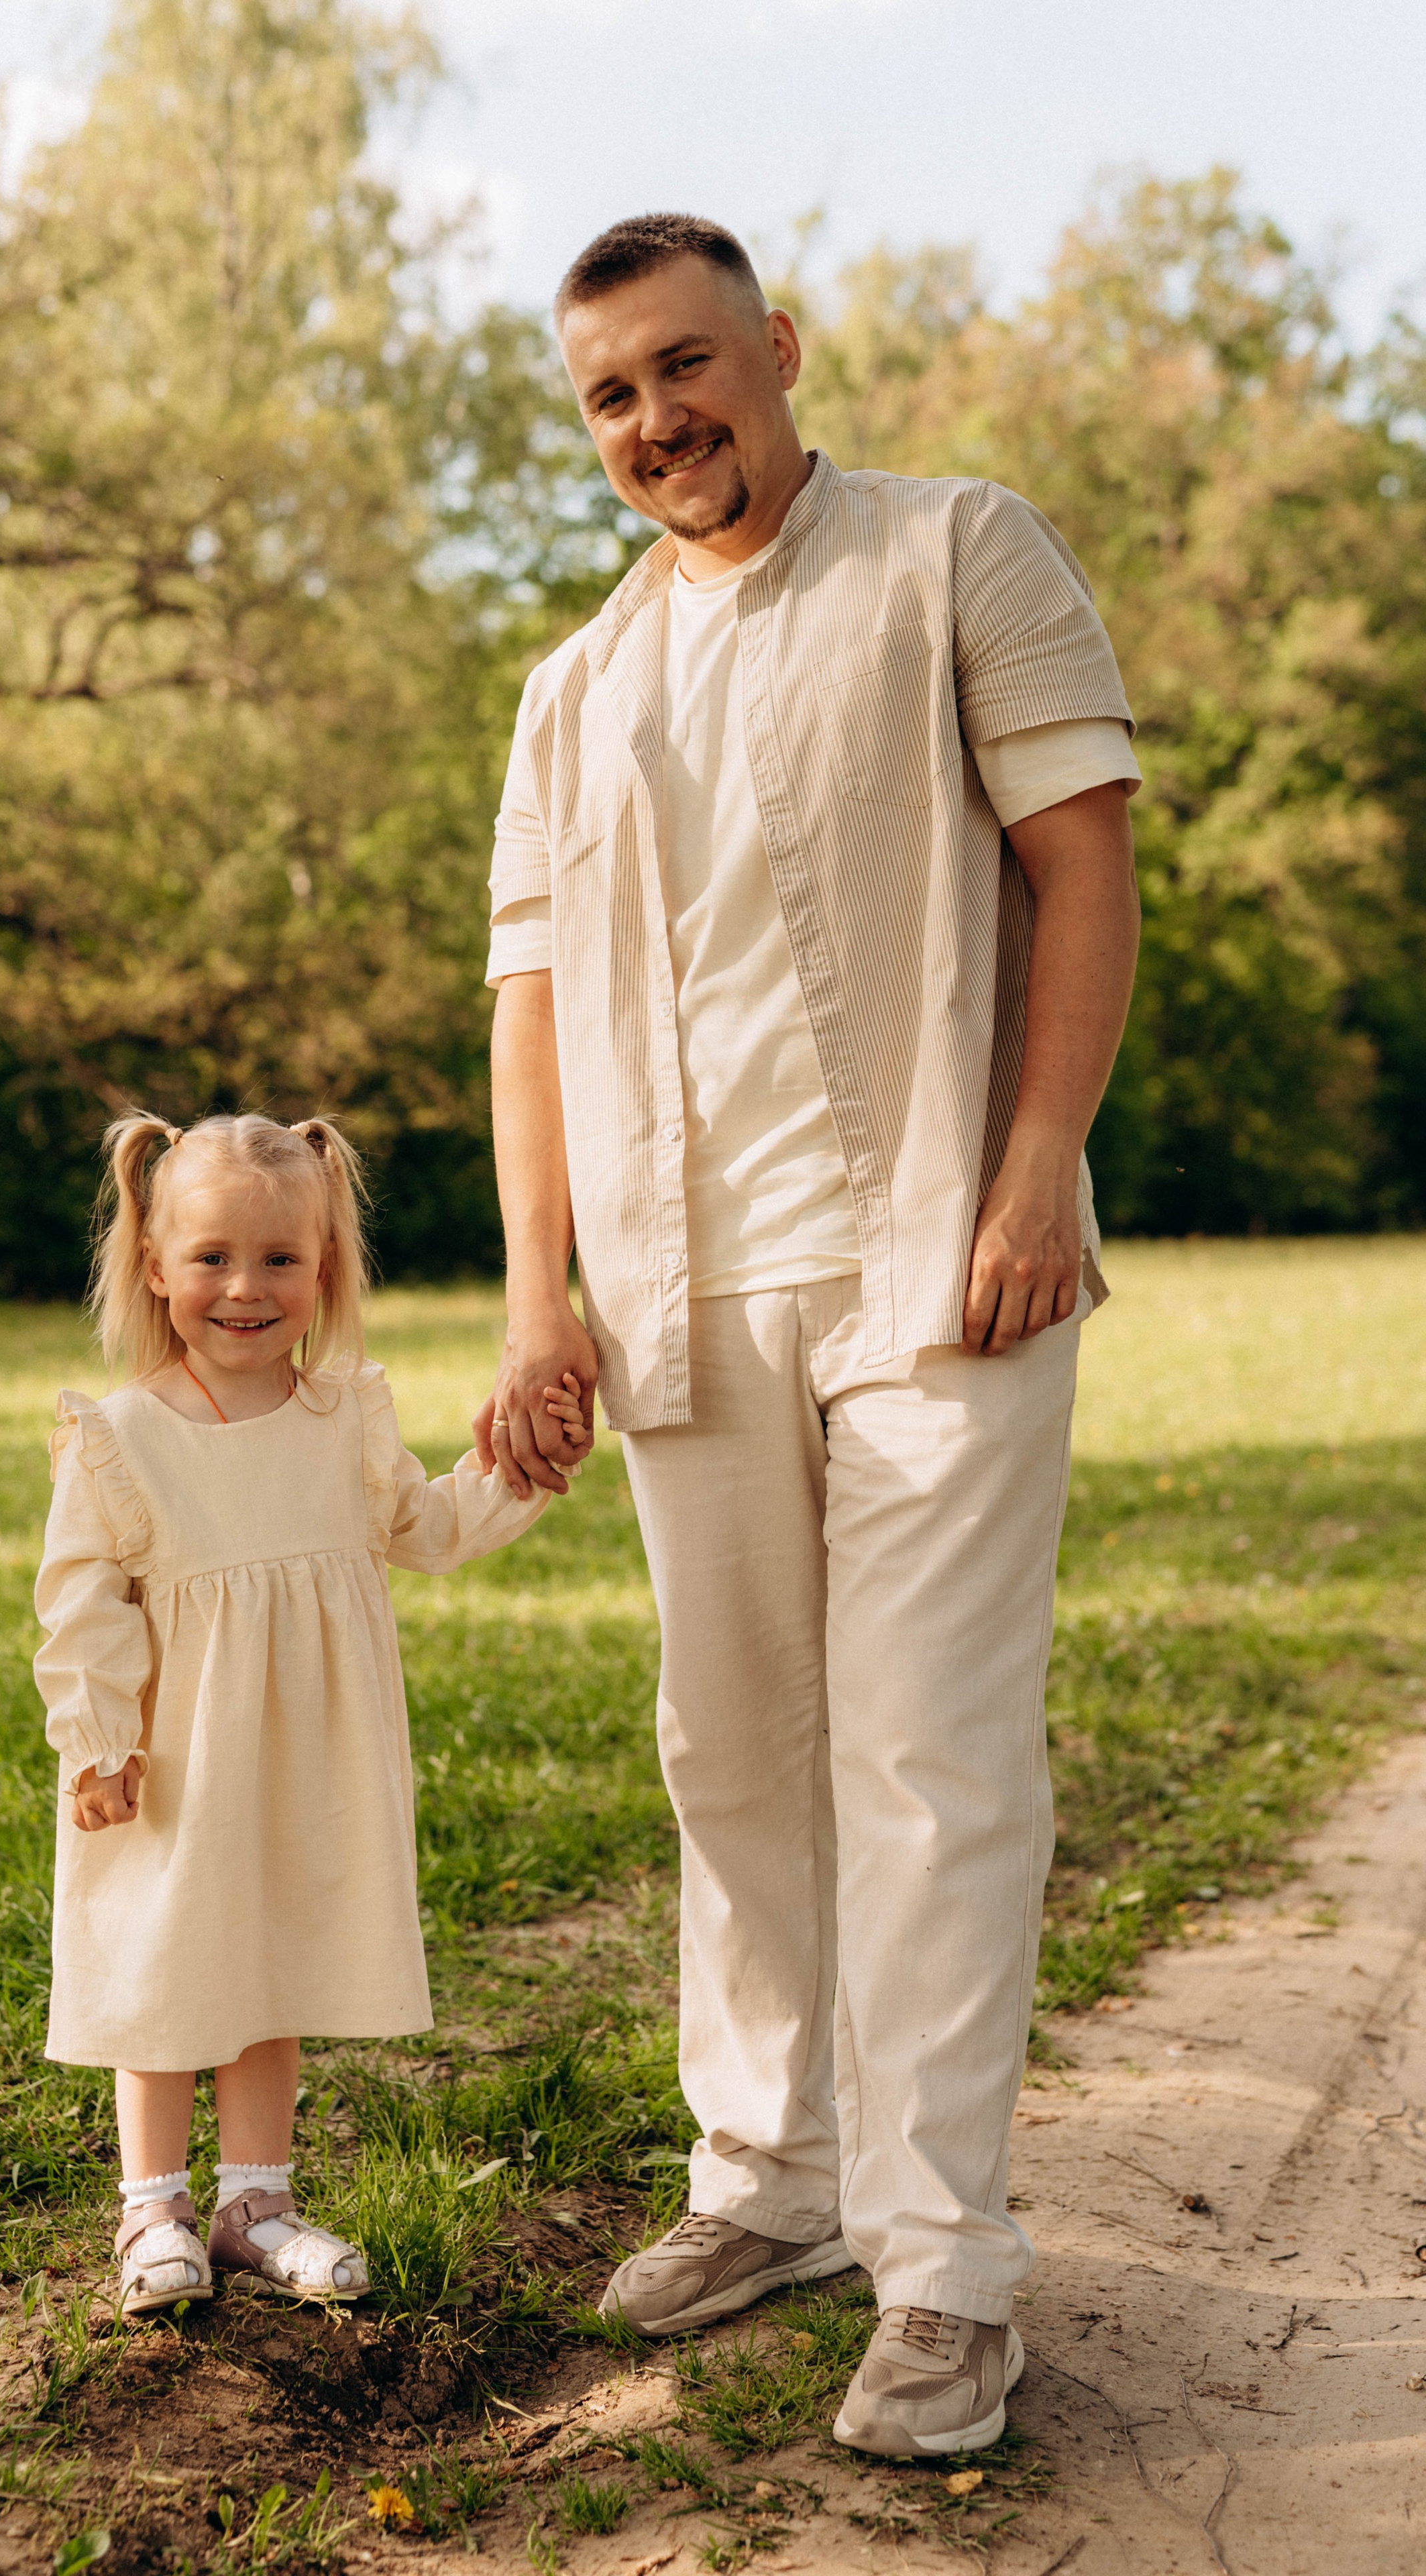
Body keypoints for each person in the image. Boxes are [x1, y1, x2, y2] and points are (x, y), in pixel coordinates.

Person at [475, 213, 1142, 2457]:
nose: (657, 420)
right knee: (734, 1757)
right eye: (610, 396)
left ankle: (947, 2273)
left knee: (931, 1762)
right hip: (680, 1296)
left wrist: (1040, 1159)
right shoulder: (572, 692)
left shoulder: (960, 551)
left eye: (687, 367)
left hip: (937, 1263)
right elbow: (533, 1014)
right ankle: (777, 2180)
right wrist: (540, 1294)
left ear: (778, 349)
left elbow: (1085, 859)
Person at [35, 1108, 585, 2317]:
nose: (247, 1288)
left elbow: (427, 1529)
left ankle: (256, 2205)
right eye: (213, 1259)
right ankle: (153, 2209)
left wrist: (522, 1467)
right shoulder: (121, 1438)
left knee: (267, 1963)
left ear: (325, 1267)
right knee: (172, 1967)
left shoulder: (345, 1419)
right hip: (175, 1768)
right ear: (153, 1266)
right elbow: (84, 1604)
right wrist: (99, 1739)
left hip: (299, 1763)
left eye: (281, 1259)